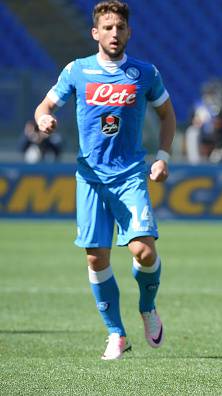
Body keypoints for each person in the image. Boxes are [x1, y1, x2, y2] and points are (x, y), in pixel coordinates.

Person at [34, 0, 175, 360]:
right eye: (107, 28)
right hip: (91, 177)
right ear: (95, 32)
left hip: (129, 174)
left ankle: (147, 306)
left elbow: (167, 115)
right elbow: (45, 106)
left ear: (129, 32)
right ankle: (116, 334)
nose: (114, 33)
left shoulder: (145, 73)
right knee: (96, 259)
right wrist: (43, 119)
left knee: (143, 250)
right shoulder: (77, 71)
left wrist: (163, 157)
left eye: (120, 28)